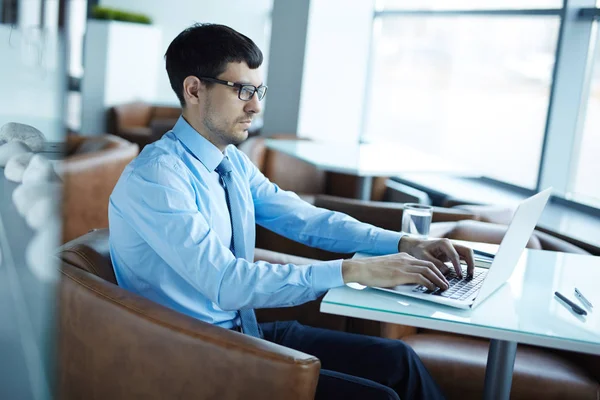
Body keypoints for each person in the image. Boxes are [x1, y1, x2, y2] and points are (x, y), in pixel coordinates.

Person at [108, 23, 475, 400]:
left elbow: (304, 218)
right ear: (194, 89)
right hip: (198, 352)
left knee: (400, 360)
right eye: (242, 91)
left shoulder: (230, 161)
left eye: (257, 90)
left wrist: (402, 242)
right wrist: (354, 270)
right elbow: (228, 283)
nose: (256, 105)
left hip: (243, 330)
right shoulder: (156, 178)